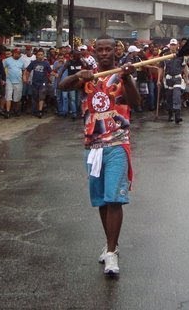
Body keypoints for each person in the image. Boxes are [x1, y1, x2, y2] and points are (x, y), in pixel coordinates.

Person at [58, 36, 139, 277]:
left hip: (117, 144)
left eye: (109, 49)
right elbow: (62, 86)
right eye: (100, 49)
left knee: (114, 198)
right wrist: (77, 76)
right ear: (95, 51)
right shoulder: (88, 76)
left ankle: (112, 253)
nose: (104, 53)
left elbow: (137, 102)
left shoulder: (122, 74)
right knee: (103, 200)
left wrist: (128, 78)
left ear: (116, 50)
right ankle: (109, 243)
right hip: (93, 147)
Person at [159, 38, 186, 123]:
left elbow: (184, 67)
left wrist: (187, 78)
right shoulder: (165, 55)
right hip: (168, 79)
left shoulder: (181, 55)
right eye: (172, 45)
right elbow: (161, 68)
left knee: (176, 96)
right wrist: (158, 80)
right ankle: (170, 115)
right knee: (169, 98)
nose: (173, 46)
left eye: (174, 45)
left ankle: (177, 116)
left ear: (177, 45)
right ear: (170, 45)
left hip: (177, 78)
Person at [25, 48, 52, 118]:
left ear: (43, 55)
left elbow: (50, 72)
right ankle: (36, 110)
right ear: (36, 55)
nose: (40, 56)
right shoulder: (33, 62)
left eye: (41, 55)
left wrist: (57, 75)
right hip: (34, 82)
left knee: (41, 97)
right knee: (35, 97)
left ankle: (40, 111)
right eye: (39, 55)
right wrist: (26, 78)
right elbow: (27, 71)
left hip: (43, 82)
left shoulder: (46, 63)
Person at [3, 47, 28, 118]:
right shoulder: (7, 60)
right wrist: (3, 78)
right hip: (9, 80)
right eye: (17, 53)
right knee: (8, 96)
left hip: (19, 81)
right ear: (13, 53)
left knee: (17, 97)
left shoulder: (22, 61)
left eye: (19, 54)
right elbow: (2, 69)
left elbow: (24, 70)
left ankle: (16, 110)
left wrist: (24, 77)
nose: (18, 55)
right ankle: (7, 111)